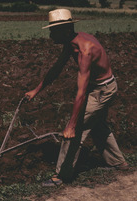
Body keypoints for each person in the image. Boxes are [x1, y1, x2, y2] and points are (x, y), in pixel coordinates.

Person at [25, 9, 128, 186]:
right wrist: (36, 90)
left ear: (65, 30)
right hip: (101, 88)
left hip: (103, 90)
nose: (50, 35)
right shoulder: (72, 41)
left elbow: (81, 92)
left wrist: (72, 125)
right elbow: (57, 69)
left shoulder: (84, 51)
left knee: (76, 130)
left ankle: (61, 176)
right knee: (97, 125)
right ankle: (119, 163)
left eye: (53, 31)